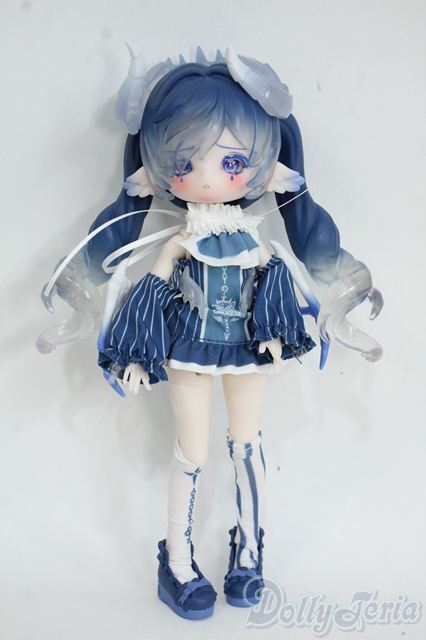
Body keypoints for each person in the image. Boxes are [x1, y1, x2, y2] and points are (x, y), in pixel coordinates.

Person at [38, 46, 383, 620]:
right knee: (191, 449)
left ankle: (249, 551)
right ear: (155, 167)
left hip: (248, 349)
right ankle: (176, 561)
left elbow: (275, 279)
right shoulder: (178, 240)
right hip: (189, 348)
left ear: (266, 161)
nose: (205, 179)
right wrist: (136, 352)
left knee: (247, 443)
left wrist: (276, 331)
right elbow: (150, 292)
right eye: (183, 164)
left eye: (231, 162)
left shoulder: (253, 240)